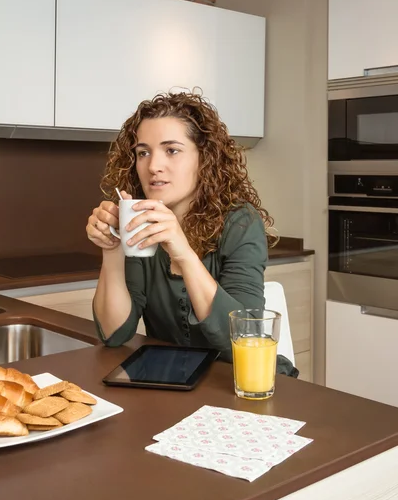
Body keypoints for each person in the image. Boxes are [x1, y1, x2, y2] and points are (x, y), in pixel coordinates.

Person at [87, 91, 290, 369]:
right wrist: (112, 250)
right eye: (143, 152)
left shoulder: (241, 222)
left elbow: (247, 338)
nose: (153, 166)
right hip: (176, 382)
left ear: (204, 158)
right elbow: (114, 334)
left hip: (245, 382)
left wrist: (183, 255)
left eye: (172, 150)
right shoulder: (140, 223)